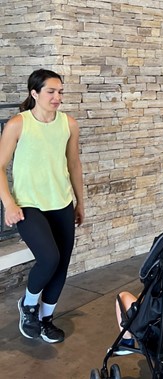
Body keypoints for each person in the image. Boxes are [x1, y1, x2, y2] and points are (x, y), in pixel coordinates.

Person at [0, 69, 85, 344]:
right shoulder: (18, 123)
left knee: (62, 264)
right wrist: (8, 203)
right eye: (51, 91)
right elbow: (0, 166)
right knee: (49, 257)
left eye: (60, 91)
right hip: (28, 204)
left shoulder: (68, 124)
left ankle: (46, 319)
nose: (57, 97)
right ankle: (28, 305)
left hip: (61, 201)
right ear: (34, 93)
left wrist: (80, 201)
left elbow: (74, 164)